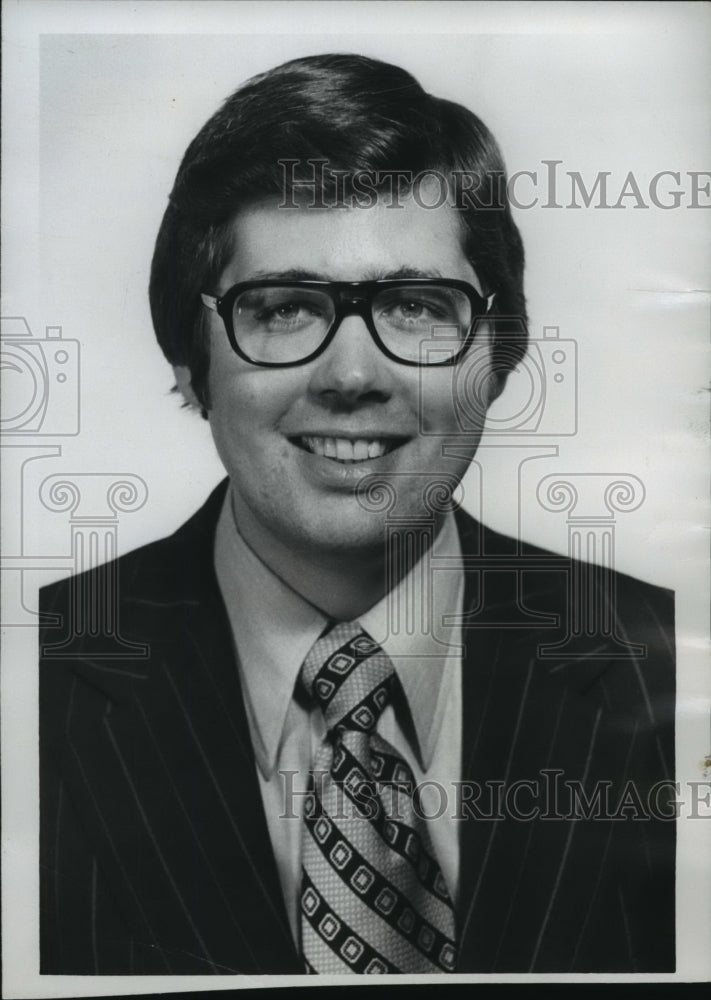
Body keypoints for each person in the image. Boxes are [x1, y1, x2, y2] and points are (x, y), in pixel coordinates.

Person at [39, 53, 675, 975]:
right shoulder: (33, 674)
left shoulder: (669, 666)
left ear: (496, 357)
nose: (350, 376)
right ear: (190, 362)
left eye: (418, 305)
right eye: (286, 308)